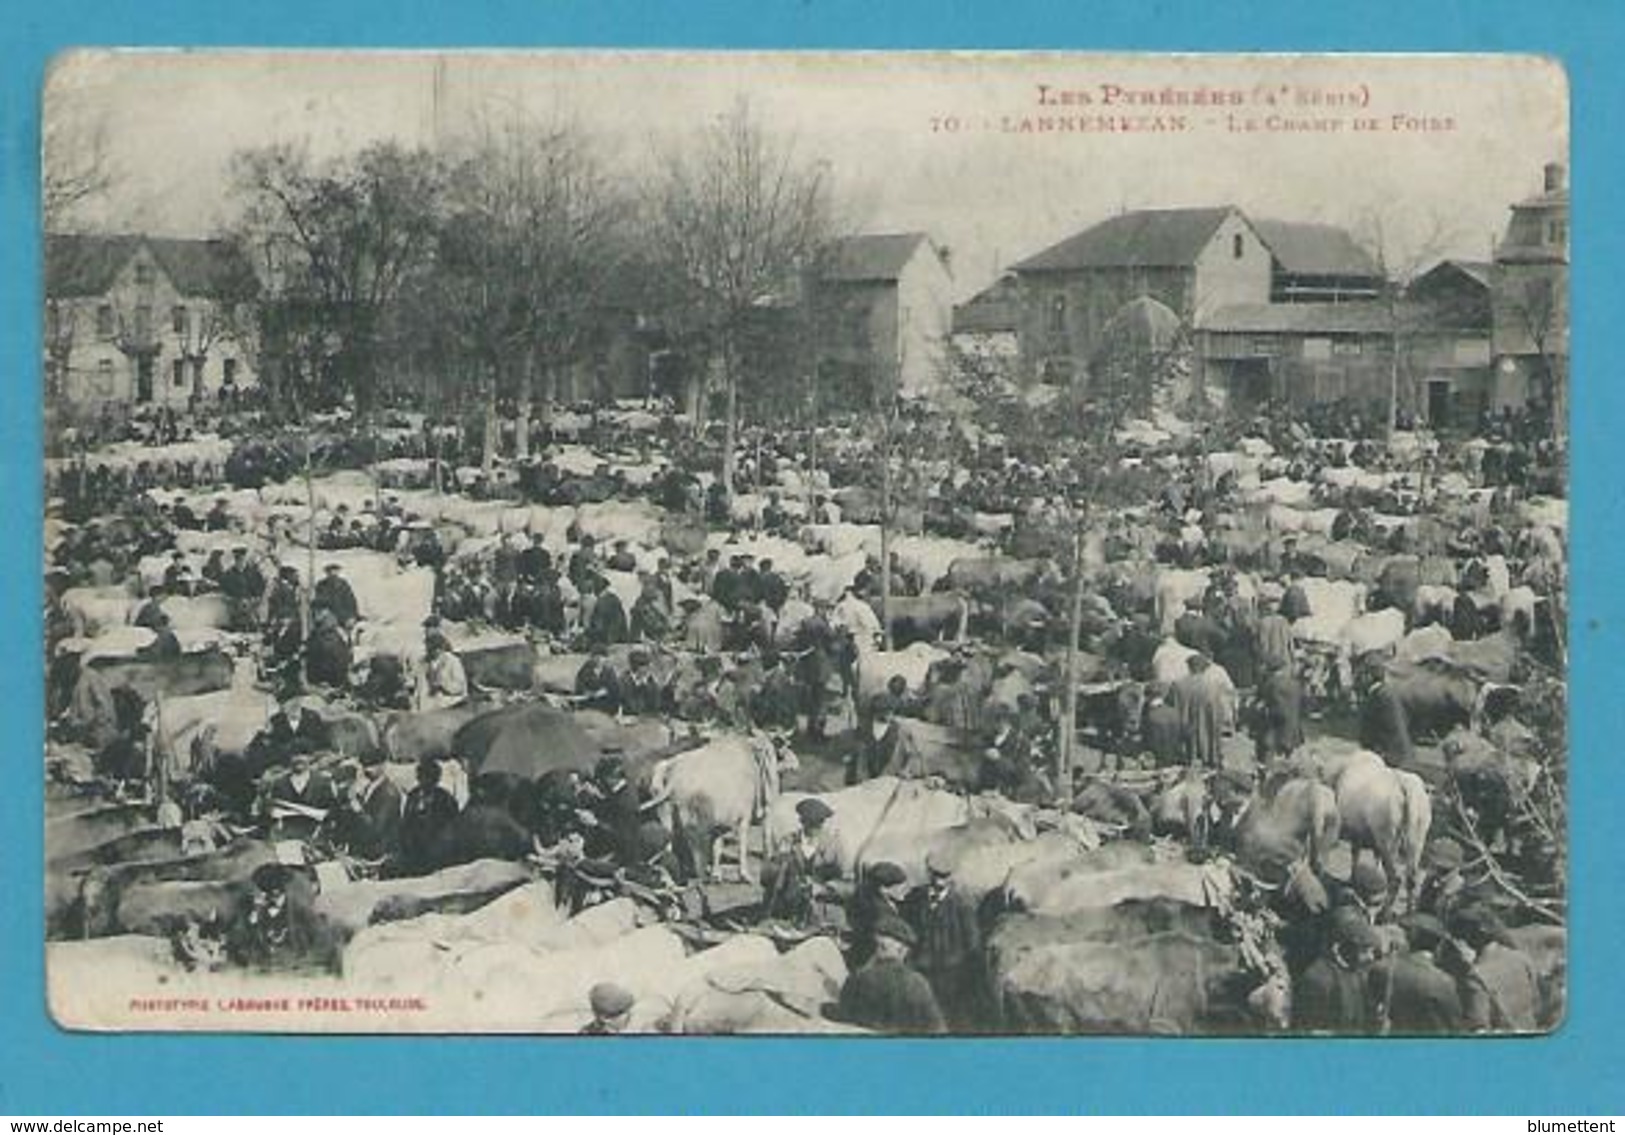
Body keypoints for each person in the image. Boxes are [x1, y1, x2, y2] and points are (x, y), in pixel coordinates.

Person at [904, 850, 986, 1030]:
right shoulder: (915, 898)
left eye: (944, 876)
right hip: (921, 970)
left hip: (951, 975)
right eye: (935, 875)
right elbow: (908, 931)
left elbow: (972, 944)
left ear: (952, 876)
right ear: (928, 872)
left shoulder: (963, 904)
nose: (939, 881)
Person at [833, 915, 947, 1035]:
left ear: (877, 948)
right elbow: (937, 1029)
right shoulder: (917, 984)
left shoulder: (857, 980)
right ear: (903, 950)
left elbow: (842, 1017)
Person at [1293, 906, 1384, 1034]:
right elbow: (1310, 1032)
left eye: (1371, 951)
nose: (1370, 957)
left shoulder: (1358, 972)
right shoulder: (1318, 979)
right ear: (1346, 946)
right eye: (1364, 950)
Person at [761, 798, 838, 927]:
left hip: (819, 902)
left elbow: (839, 876)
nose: (816, 828)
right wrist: (780, 860)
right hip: (789, 900)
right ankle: (772, 914)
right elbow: (766, 877)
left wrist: (822, 888)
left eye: (819, 823)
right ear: (802, 822)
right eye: (811, 823)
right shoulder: (788, 841)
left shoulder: (830, 844)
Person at [397, 758, 460, 876]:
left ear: (437, 779)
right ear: (418, 778)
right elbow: (405, 823)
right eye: (423, 777)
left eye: (431, 778)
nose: (426, 782)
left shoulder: (446, 799)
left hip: (436, 855)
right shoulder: (413, 795)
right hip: (413, 854)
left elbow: (453, 829)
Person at [1169, 654, 1231, 769]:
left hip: (1185, 732)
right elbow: (1220, 714)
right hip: (1208, 735)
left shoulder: (1178, 685)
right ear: (1204, 668)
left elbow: (1173, 710)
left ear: (1189, 667)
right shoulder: (1214, 685)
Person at [847, 861, 911, 970]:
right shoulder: (882, 914)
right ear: (884, 889)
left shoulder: (870, 902)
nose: (906, 891)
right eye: (900, 887)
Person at [346, 751, 404, 862]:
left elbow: (376, 829)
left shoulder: (389, 793)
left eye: (371, 766)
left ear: (383, 766)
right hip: (366, 849)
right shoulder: (369, 787)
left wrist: (358, 808)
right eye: (364, 766)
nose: (366, 770)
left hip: (380, 853)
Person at [1356, 656, 1414, 766]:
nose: (1359, 679)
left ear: (1368, 676)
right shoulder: (1388, 692)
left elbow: (1369, 733)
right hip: (1400, 755)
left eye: (1361, 675)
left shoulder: (1378, 697)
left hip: (1389, 758)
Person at [419, 630, 469, 711]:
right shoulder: (425, 662)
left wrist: (442, 684)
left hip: (452, 702)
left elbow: (459, 687)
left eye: (434, 649)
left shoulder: (452, 661)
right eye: (429, 649)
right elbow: (421, 686)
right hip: (433, 701)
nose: (431, 652)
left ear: (440, 648)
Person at [311, 563, 360, 630]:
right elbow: (319, 600)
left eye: (335, 571)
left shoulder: (343, 584)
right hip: (328, 614)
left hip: (343, 614)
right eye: (330, 571)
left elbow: (351, 600)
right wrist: (324, 609)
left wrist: (352, 616)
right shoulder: (321, 585)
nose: (333, 573)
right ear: (327, 573)